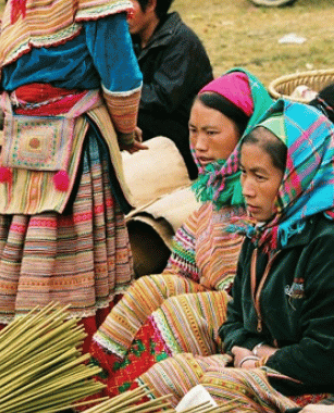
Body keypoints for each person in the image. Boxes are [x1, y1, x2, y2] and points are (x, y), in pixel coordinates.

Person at [0, 0, 144, 347]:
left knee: (61, 246)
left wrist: (124, 133)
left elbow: (121, 76)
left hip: (74, 142)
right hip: (25, 138)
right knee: (23, 242)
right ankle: (20, 346)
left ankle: (66, 348)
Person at [137, 100, 334, 412]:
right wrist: (248, 349)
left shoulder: (325, 242)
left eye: (260, 176)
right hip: (258, 363)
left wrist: (262, 359)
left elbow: (325, 355)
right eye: (243, 173)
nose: (247, 190)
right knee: (168, 377)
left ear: (297, 176)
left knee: (216, 394)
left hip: (313, 384)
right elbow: (234, 318)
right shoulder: (263, 232)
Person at [89, 70, 274, 397]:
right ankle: (102, 385)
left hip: (255, 325)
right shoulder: (213, 196)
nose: (199, 146)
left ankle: (135, 397)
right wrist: (164, 291)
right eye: (193, 131)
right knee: (149, 287)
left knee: (180, 315)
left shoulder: (268, 195)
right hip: (221, 309)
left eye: (212, 133)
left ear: (247, 133)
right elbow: (182, 267)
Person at [117, 0, 213, 179]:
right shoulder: (129, 39)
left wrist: (116, 93)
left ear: (150, 4)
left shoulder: (181, 41)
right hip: (153, 124)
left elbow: (161, 99)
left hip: (186, 135)